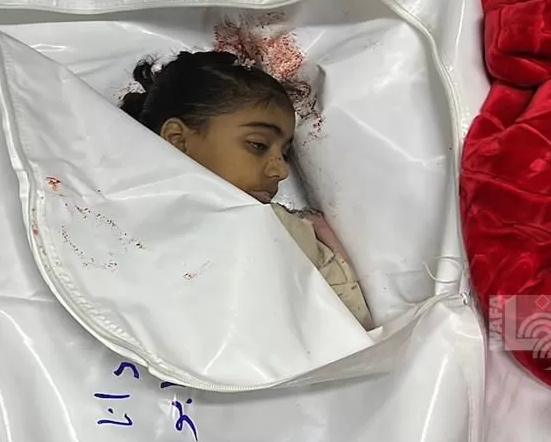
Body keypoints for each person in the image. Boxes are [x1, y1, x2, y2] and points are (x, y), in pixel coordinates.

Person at [120, 51, 373, 330]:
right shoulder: (117, 207)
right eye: (258, 145)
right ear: (178, 140)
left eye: (284, 154)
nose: (281, 171)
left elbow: (350, 327)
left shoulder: (290, 232)